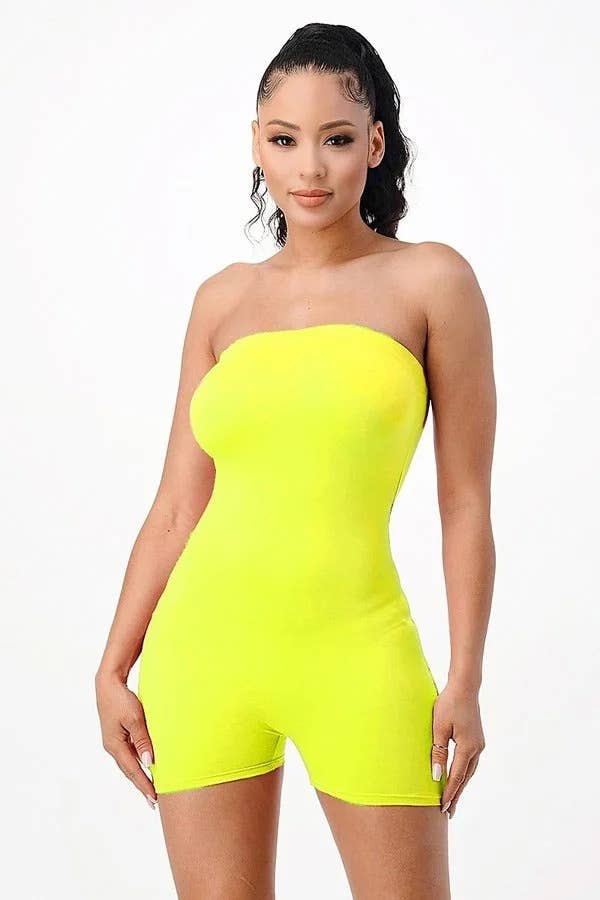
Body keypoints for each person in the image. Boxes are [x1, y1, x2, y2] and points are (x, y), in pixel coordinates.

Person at [95, 22, 496, 900]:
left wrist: (465, 678)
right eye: (284, 140)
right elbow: (176, 507)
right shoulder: (222, 300)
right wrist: (112, 666)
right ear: (257, 145)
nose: (309, 168)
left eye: (336, 140)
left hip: (359, 653)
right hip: (201, 655)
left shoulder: (432, 282)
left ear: (375, 145)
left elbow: (465, 501)